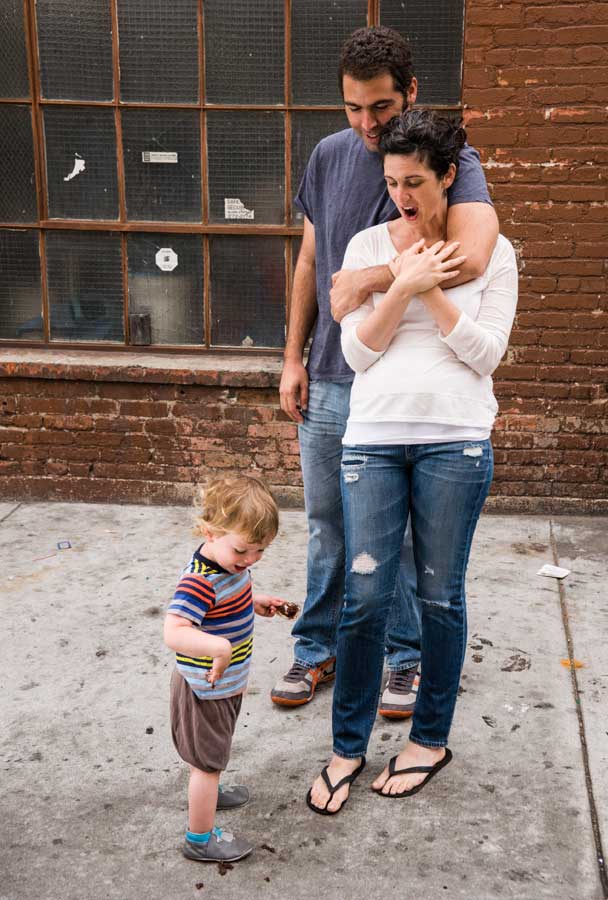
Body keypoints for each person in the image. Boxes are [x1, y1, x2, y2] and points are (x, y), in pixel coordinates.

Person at [272, 26, 499, 718]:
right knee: (326, 526)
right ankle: (317, 647)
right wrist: (292, 356)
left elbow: (472, 257)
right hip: (331, 369)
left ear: (411, 94)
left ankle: (404, 657)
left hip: (396, 380)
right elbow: (312, 262)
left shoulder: (450, 158)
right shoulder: (328, 156)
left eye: (381, 107)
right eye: (353, 108)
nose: (367, 124)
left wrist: (369, 279)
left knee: (395, 539)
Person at [306, 108, 518, 815]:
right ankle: (347, 747)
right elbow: (358, 352)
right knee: (364, 598)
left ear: (449, 176)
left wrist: (428, 287)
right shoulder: (368, 245)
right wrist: (398, 282)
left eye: (415, 182)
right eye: (392, 181)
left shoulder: (493, 253)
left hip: (456, 441)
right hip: (371, 439)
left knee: (439, 597)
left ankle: (429, 740)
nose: (401, 195)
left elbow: (486, 355)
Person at [164, 474, 287, 862]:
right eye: (242, 550)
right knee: (207, 765)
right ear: (210, 532)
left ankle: (210, 792)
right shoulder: (198, 581)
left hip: (224, 685)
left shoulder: (228, 568)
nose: (250, 560)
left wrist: (254, 601)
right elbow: (174, 631)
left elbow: (226, 600)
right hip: (204, 689)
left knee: (214, 753)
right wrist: (219, 647)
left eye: (261, 551)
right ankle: (199, 839)